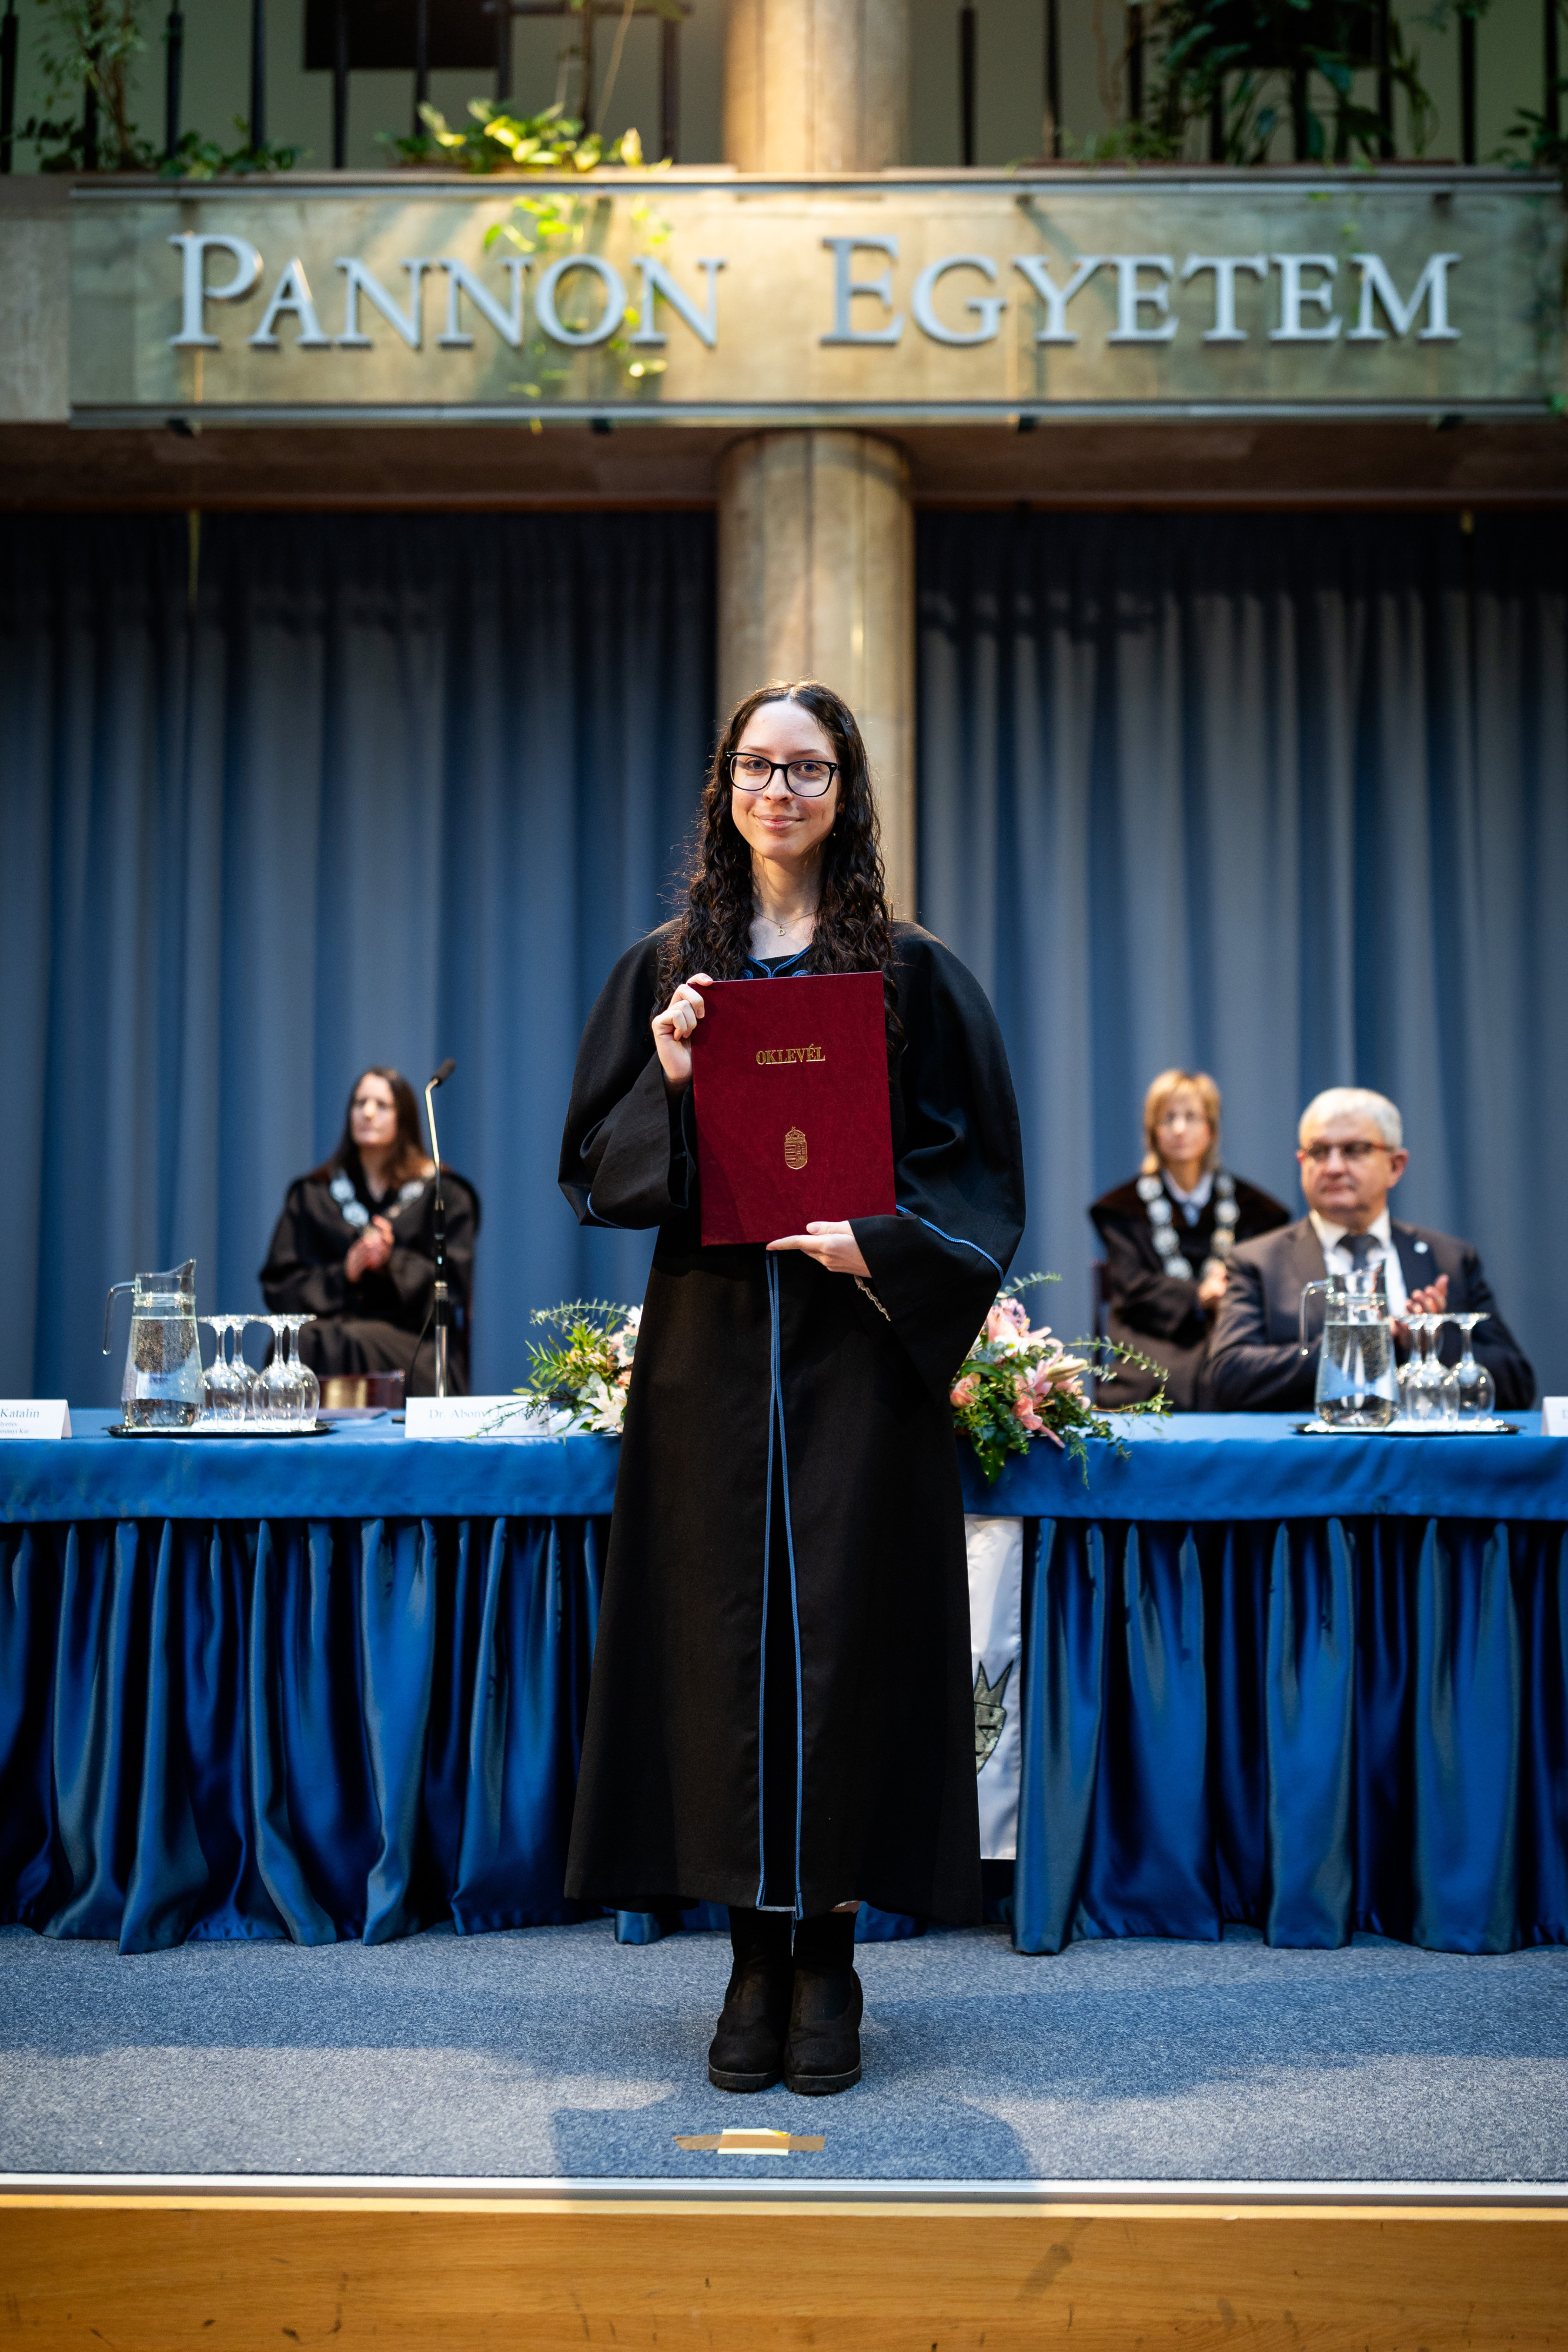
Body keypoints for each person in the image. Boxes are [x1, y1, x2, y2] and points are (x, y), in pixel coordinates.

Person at [559, 680, 1025, 2099]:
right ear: (726, 787)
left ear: (844, 790)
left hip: (856, 1359)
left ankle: (829, 1956)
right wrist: (667, 1074)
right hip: (708, 1355)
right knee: (716, 1650)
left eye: (808, 768)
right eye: (758, 766)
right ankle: (747, 1956)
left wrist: (877, 1240)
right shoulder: (665, 971)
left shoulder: (912, 974)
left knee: (846, 1644)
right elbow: (592, 1171)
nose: (780, 789)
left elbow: (977, 1172)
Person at [1203, 1085, 1532, 1411]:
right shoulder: (1258, 1262)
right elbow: (1228, 1378)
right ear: (1302, 1162)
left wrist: (1431, 1343)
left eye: (1354, 1150)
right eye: (1319, 1151)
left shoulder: (1450, 1260)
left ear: (1395, 1166)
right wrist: (1359, 1342)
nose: (1333, 1167)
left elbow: (1517, 1385)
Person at [259, 1065, 480, 1395]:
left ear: (404, 1118)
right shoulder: (314, 1194)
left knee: (353, 1340)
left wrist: (392, 1263)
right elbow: (279, 1287)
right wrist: (344, 1273)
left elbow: (452, 1292)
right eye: (360, 1103)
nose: (368, 1113)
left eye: (382, 1105)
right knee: (299, 1342)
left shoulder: (443, 1193)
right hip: (326, 1334)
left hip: (410, 1345)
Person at [1090, 1069, 1290, 1409]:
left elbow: (1265, 1287)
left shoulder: (1256, 1211)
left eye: (1191, 1117)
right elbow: (1133, 1288)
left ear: (1211, 1129)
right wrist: (1198, 1295)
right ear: (1153, 1131)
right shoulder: (1122, 1210)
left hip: (1230, 1340)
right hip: (1152, 1342)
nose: (1180, 1129)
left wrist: (1229, 1288)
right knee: (1159, 1381)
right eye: (1168, 1119)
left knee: (1244, 1376)